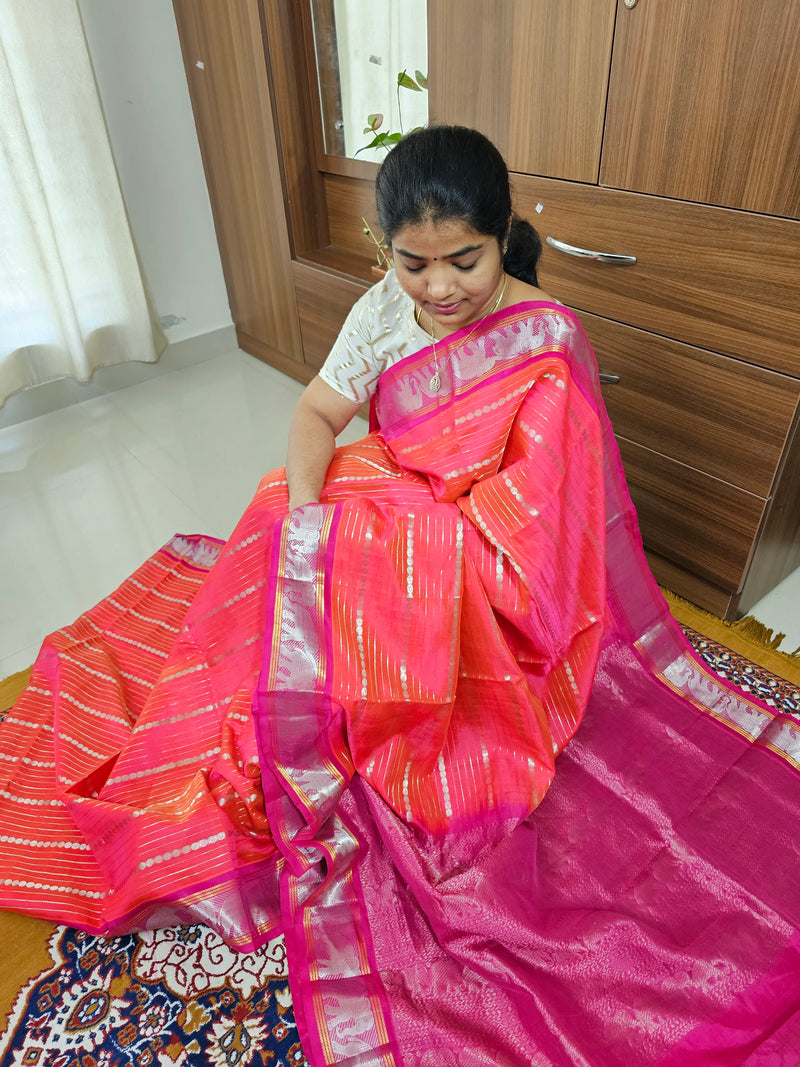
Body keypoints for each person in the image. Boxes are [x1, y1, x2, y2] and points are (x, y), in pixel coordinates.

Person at [1, 126, 799, 1066]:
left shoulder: (543, 337)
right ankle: (276, 713)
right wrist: (310, 518)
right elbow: (317, 415)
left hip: (488, 547)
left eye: (463, 260)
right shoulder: (382, 312)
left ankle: (358, 709)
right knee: (274, 512)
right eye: (414, 264)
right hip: (397, 495)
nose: (439, 288)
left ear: (502, 237)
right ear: (389, 255)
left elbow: (550, 511)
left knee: (381, 588)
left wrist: (418, 540)